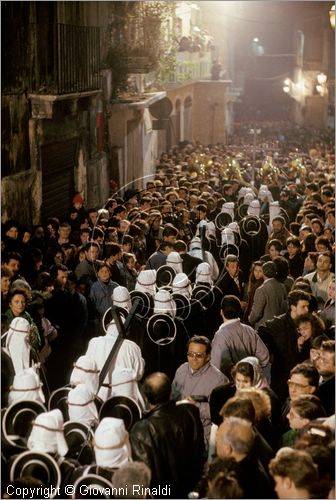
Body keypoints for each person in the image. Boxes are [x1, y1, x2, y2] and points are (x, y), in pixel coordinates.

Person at [130, 372, 205, 499]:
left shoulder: (141, 430)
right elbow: (199, 453)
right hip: (190, 490)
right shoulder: (190, 412)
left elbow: (145, 474)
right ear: (170, 393)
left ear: (146, 398)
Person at [172, 335, 228, 445]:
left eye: (199, 355)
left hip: (202, 438)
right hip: (179, 433)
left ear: (208, 357)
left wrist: (196, 406)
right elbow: (172, 397)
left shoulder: (219, 380)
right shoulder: (181, 370)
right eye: (191, 354)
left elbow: (222, 413)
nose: (193, 359)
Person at [257, 290, 311, 403]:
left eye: (307, 306)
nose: (307, 310)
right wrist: (269, 353)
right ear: (293, 307)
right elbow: (259, 334)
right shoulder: (277, 324)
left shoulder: (309, 324)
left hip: (301, 380)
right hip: (280, 379)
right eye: (303, 307)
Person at [215, 416, 274, 499]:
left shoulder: (236, 486)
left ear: (227, 449)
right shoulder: (252, 463)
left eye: (217, 438)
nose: (215, 442)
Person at [211, 295, 269, 378]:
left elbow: (216, 366)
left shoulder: (221, 335)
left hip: (232, 384)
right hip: (250, 381)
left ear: (221, 312)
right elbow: (264, 356)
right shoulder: (249, 330)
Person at [248, 261, 288, 329]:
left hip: (264, 329)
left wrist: (250, 320)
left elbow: (256, 313)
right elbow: (285, 307)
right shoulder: (282, 287)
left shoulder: (261, 290)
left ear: (263, 272)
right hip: (278, 327)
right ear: (275, 273)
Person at [315, 340, 335, 416]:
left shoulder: (332, 394)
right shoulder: (312, 374)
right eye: (319, 357)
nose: (319, 362)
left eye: (324, 361)